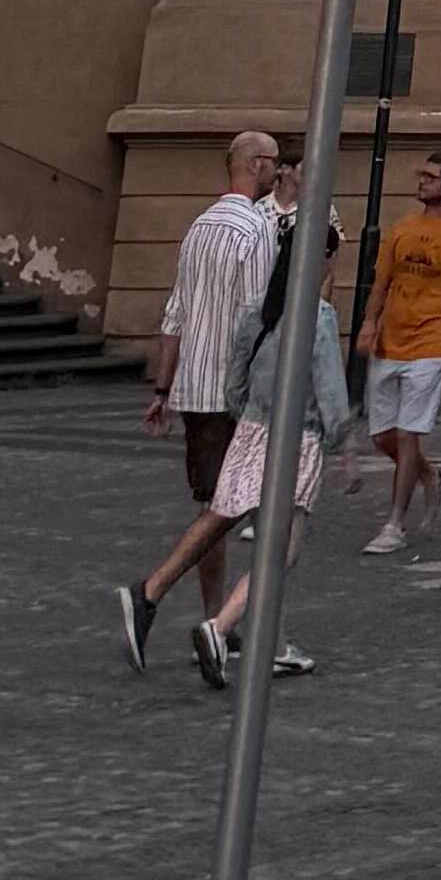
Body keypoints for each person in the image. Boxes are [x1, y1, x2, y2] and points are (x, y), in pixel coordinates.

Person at [194, 262, 356, 686]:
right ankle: (219, 628)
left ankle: (277, 647)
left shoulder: (258, 308)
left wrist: (247, 414)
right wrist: (344, 446)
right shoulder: (317, 314)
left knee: (267, 549)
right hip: (295, 438)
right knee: (280, 555)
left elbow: (235, 378)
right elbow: (329, 386)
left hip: (250, 433)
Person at [144, 132, 285, 573]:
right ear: (256, 164)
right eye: (274, 161)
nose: (279, 171)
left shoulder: (198, 227)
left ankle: (214, 609)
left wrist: (163, 389)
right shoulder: (257, 228)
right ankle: (160, 589)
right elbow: (253, 318)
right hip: (234, 393)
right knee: (238, 509)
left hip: (194, 389)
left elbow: (175, 314)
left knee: (212, 503)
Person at [354, 149, 441, 555]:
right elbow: (381, 283)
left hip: (430, 343)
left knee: (408, 434)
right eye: (421, 175)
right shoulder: (402, 228)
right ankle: (431, 476)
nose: (421, 181)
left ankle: (394, 525)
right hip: (390, 341)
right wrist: (369, 324)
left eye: (430, 177)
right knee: (382, 436)